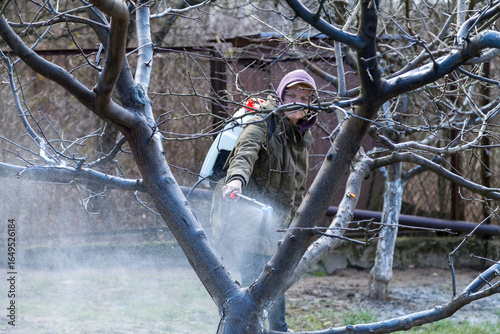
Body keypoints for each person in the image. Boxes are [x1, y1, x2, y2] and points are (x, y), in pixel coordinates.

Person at [210, 69, 317, 332]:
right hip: (243, 219)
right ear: (280, 96)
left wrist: (291, 227)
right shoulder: (261, 120)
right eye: (291, 95)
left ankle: (273, 329)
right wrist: (236, 179)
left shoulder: (300, 137)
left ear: (311, 105)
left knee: (272, 282)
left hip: (276, 226)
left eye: (303, 98)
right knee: (257, 287)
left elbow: (296, 189)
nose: (296, 101)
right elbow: (245, 151)